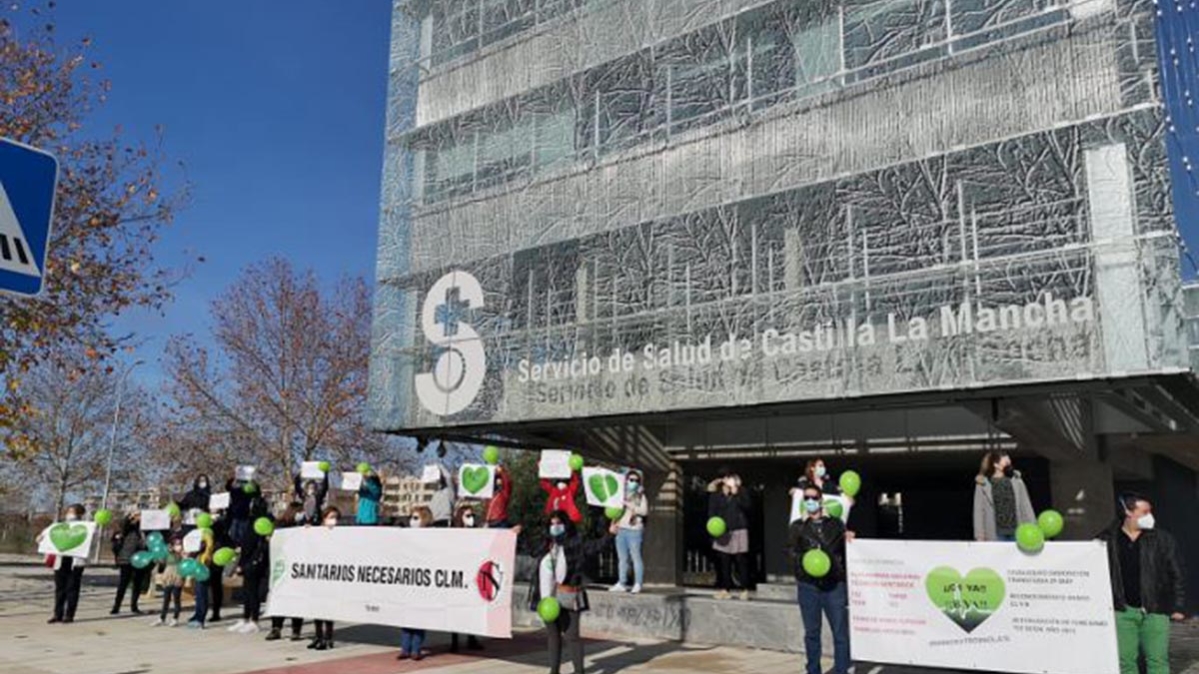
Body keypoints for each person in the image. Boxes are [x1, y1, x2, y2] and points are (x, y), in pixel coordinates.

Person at [1099, 493, 1187, 674]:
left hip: (1155, 610)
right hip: (1122, 612)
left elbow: (1177, 573)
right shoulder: (1107, 540)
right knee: (1125, 662)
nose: (1150, 515)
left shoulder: (1162, 539)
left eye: (1150, 511)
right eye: (1144, 511)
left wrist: (1178, 605)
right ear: (1128, 512)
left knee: (1157, 661)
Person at [528, 510, 618, 674]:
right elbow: (530, 550)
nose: (555, 527)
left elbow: (595, 547)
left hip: (568, 595)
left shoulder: (575, 543)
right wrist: (513, 533)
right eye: (552, 524)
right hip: (546, 597)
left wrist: (610, 535)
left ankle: (579, 671)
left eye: (558, 523)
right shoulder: (545, 544)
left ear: (566, 525)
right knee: (553, 636)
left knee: (572, 637)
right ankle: (554, 670)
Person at [788, 484, 853, 674]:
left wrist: (850, 537)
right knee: (812, 633)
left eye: (813, 498)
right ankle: (813, 670)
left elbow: (845, 548)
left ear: (821, 500)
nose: (810, 501)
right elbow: (791, 552)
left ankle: (842, 670)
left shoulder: (836, 524)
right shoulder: (797, 527)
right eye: (806, 498)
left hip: (834, 585)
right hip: (808, 586)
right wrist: (806, 562)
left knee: (840, 633)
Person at [708, 468, 752, 600]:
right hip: (723, 531)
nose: (730, 481)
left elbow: (748, 507)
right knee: (724, 560)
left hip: (739, 529)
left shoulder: (741, 492)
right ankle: (725, 588)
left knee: (740, 559)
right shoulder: (716, 495)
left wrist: (737, 494)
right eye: (727, 478)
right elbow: (712, 512)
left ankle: (745, 588)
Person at [972, 451, 1035, 542]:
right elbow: (978, 510)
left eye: (1009, 461)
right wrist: (979, 535)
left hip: (1017, 532)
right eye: (1006, 462)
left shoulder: (1017, 481)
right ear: (996, 465)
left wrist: (1033, 527)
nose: (1009, 464)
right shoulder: (982, 484)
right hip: (994, 533)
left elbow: (1025, 505)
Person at [266, 502, 306, 642]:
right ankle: (276, 628)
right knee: (280, 597)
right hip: (282, 566)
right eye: (300, 512)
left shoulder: (303, 525)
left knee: (296, 600)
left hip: (298, 568)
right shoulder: (280, 524)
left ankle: (296, 630)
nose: (302, 515)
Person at [43, 503, 90, 624]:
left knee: (72, 588)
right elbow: (45, 534)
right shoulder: (60, 526)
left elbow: (89, 544)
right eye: (69, 512)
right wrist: (41, 538)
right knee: (60, 589)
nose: (70, 514)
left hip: (75, 562)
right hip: (60, 561)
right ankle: (57, 614)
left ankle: (69, 615)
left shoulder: (86, 528)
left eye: (73, 512)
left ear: (80, 514)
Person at [398, 506, 434, 660]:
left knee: (419, 617)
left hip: (423, 583)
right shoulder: (406, 536)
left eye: (416, 518)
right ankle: (405, 648)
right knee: (406, 617)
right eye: (412, 518)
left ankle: (416, 649)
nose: (413, 521)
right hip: (408, 582)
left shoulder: (432, 536)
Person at [450, 505, 485, 653]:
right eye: (467, 516)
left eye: (472, 515)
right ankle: (454, 641)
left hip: (472, 576)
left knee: (471, 609)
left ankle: (471, 638)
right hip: (457, 576)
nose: (471, 519)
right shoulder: (455, 534)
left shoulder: (477, 533)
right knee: (455, 609)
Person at [229, 514, 270, 634]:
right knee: (247, 592)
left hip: (255, 565)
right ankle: (246, 618)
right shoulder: (251, 528)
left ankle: (254, 620)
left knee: (252, 593)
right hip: (249, 564)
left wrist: (242, 564)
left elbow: (249, 548)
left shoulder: (257, 531)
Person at [610, 468, 649, 594]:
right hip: (621, 529)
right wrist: (613, 524)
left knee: (636, 557)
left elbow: (644, 511)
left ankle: (638, 583)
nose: (633, 482)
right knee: (622, 558)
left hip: (634, 531)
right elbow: (615, 512)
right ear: (626, 480)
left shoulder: (641, 496)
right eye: (631, 479)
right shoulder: (620, 494)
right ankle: (622, 582)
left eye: (636, 480)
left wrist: (629, 505)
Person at [308, 507, 340, 651]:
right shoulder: (316, 532)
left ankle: (328, 638)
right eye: (330, 516)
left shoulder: (340, 533)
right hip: (317, 574)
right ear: (324, 518)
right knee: (316, 608)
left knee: (328, 609)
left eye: (335, 517)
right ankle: (318, 635)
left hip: (331, 576)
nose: (333, 520)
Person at [110, 510, 147, 615]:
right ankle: (116, 606)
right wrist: (131, 517)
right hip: (126, 559)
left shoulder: (143, 529)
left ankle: (134, 606)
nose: (137, 517)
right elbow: (123, 525)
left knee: (137, 584)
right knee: (123, 583)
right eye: (135, 515)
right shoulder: (126, 528)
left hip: (140, 559)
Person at [152, 537, 186, 627]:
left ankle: (175, 618)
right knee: (166, 598)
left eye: (179, 544)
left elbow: (184, 561)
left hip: (178, 575)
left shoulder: (183, 553)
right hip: (168, 574)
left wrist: (179, 553)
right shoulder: (168, 552)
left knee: (176, 598)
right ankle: (162, 618)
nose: (178, 545)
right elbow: (161, 562)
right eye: (176, 543)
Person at [187, 530, 215, 629]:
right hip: (198, 571)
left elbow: (209, 545)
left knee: (202, 595)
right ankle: (197, 615)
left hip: (203, 572)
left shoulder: (206, 553)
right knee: (198, 595)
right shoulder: (198, 553)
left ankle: (200, 619)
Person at [428, 462, 456, 527]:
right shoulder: (435, 493)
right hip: (434, 520)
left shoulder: (449, 491)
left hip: (445, 519)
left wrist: (440, 467)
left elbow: (448, 477)